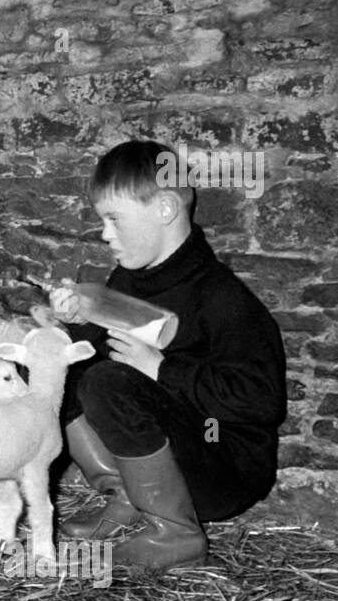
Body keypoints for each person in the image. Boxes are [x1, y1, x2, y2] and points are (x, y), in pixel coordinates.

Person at [50, 141, 287, 570]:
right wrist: (72, 325)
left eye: (114, 219)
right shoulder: (129, 277)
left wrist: (161, 368)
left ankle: (176, 535)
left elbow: (261, 399)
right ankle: (126, 496)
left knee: (109, 381)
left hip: (223, 468)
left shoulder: (221, 297)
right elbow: (103, 348)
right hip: (162, 457)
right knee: (58, 364)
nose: (105, 234)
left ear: (164, 209)